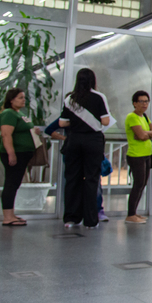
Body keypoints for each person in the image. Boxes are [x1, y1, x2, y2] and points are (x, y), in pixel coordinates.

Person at [59, 68, 111, 230]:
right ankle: (90, 220)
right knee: (91, 179)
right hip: (92, 140)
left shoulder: (70, 98)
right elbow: (105, 121)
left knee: (72, 178)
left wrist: (76, 122)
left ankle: (71, 218)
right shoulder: (98, 97)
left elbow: (62, 122)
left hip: (74, 139)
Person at [0, 88, 41, 226]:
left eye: (24, 97)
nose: (24, 100)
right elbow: (6, 134)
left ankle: (11, 214)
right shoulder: (8, 113)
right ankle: (7, 216)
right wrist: (11, 153)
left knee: (15, 183)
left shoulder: (19, 113)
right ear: (12, 100)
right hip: (15, 152)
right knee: (11, 183)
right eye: (20, 97)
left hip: (23, 153)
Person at [125, 90, 152, 224]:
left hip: (147, 154)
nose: (144, 104)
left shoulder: (144, 117)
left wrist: (146, 133)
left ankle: (134, 212)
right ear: (134, 103)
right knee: (138, 184)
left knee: (143, 184)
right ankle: (130, 214)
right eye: (141, 101)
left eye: (146, 101)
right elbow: (141, 136)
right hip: (136, 155)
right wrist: (145, 134)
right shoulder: (132, 117)